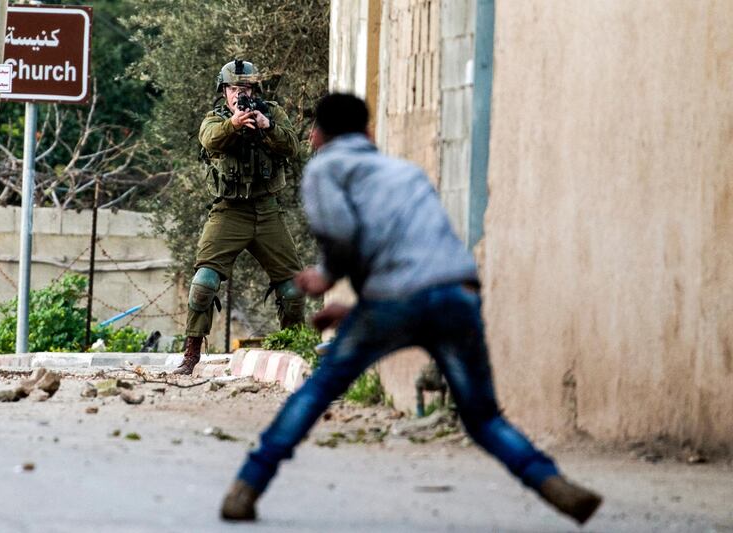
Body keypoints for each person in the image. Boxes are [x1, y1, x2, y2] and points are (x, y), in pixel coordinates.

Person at [219, 93, 603, 525]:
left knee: (316, 393)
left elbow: (345, 236)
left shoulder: (324, 167)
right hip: (456, 294)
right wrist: (359, 309)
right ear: (368, 133)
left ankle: (246, 486)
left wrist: (325, 278)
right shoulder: (405, 172)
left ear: (316, 136)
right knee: (482, 418)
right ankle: (552, 483)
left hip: (392, 301)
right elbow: (417, 263)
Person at [174, 59, 305, 375]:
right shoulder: (215, 119)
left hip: (267, 210)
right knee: (203, 283)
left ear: (255, 90)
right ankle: (191, 353)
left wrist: (267, 127)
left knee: (293, 291)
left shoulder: (272, 114)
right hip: (229, 212)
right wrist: (234, 124)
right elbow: (209, 140)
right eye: (234, 89)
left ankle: (292, 349)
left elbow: (293, 148)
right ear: (224, 91)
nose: (240, 95)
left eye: (245, 89)